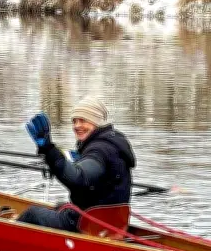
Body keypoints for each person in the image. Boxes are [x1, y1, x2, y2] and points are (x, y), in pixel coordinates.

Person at [17, 96, 136, 232]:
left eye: (83, 120)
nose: (77, 126)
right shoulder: (113, 144)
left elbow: (78, 178)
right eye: (74, 121)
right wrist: (61, 160)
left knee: (33, 213)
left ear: (96, 122)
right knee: (60, 206)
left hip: (87, 224)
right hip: (112, 223)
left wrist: (49, 149)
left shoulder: (99, 150)